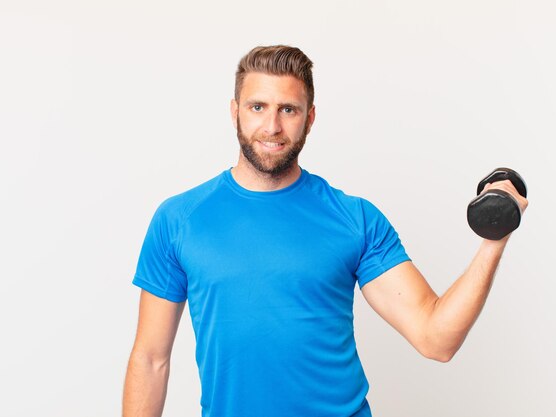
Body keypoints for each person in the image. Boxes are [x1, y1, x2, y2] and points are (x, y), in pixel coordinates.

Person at [122, 45, 528, 417]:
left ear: (310, 118)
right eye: (258, 106)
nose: (272, 126)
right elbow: (150, 359)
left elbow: (436, 339)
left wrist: (494, 239)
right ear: (235, 112)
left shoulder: (355, 220)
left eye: (289, 110)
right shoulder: (179, 220)